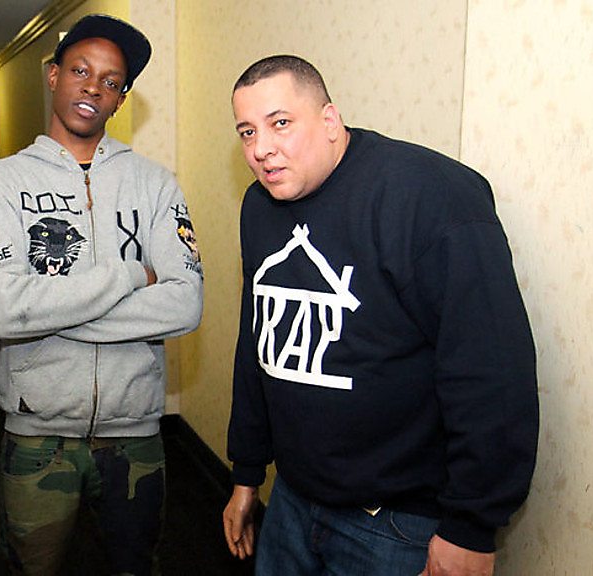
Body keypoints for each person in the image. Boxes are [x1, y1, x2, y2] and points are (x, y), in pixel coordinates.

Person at [222, 55, 538, 576]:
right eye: (247, 131)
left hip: (394, 524)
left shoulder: (430, 197)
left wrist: (471, 527)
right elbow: (258, 342)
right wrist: (247, 472)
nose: (261, 149)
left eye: (280, 123)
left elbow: (491, 370)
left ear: (329, 120)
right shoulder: (260, 206)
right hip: (294, 500)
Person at [0, 14, 203, 576]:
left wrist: (43, 309)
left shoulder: (155, 183)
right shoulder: (2, 182)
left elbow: (185, 303)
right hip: (37, 435)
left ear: (120, 99)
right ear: (53, 75)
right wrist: (129, 276)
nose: (93, 87)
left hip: (135, 437)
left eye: (110, 81)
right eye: (80, 70)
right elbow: (1, 310)